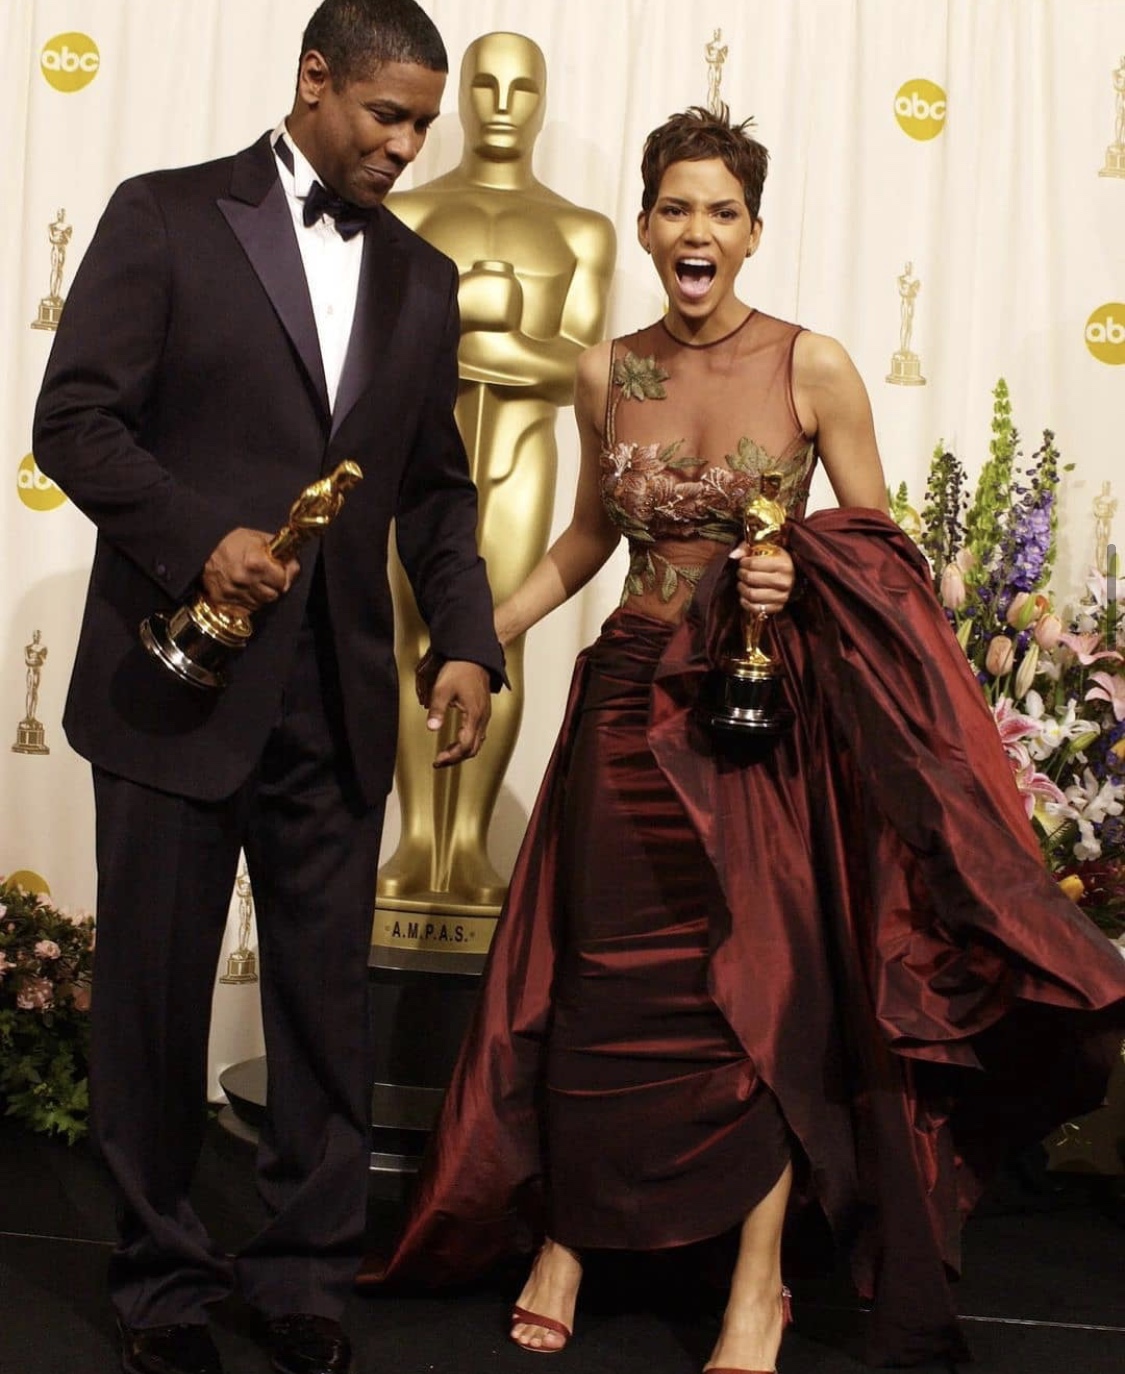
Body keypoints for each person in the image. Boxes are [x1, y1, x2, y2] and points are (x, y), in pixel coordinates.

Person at [361, 104, 1125, 1371]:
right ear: (646, 225)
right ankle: (570, 1239)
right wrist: (478, 638)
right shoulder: (603, 373)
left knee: (764, 991)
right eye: (676, 208)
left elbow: (882, 556)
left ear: (754, 232)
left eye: (722, 211)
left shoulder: (813, 366)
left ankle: (757, 1286)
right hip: (627, 698)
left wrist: (797, 572)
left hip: (756, 715)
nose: (697, 230)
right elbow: (587, 541)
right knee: (599, 974)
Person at [32, 3, 505, 1374]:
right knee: (154, 1004)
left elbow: (434, 490)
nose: (406, 147)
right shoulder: (166, 215)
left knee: (321, 1008)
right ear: (314, 79)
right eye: (387, 116)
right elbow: (74, 421)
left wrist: (464, 640)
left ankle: (305, 1277)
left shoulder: (423, 276)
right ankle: (163, 1284)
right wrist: (200, 539)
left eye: (423, 125)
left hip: (337, 702)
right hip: (177, 685)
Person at [378, 30, 615, 910]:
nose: (504, 106)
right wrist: (487, 325)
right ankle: (416, 842)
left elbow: (580, 369)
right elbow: (385, 359)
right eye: (487, 86)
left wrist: (483, 329)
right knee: (412, 636)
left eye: (523, 89)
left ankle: (469, 845)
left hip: (520, 455)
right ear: (461, 96)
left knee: (493, 639)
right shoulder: (406, 212)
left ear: (543, 101)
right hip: (413, 461)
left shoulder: (580, 229)